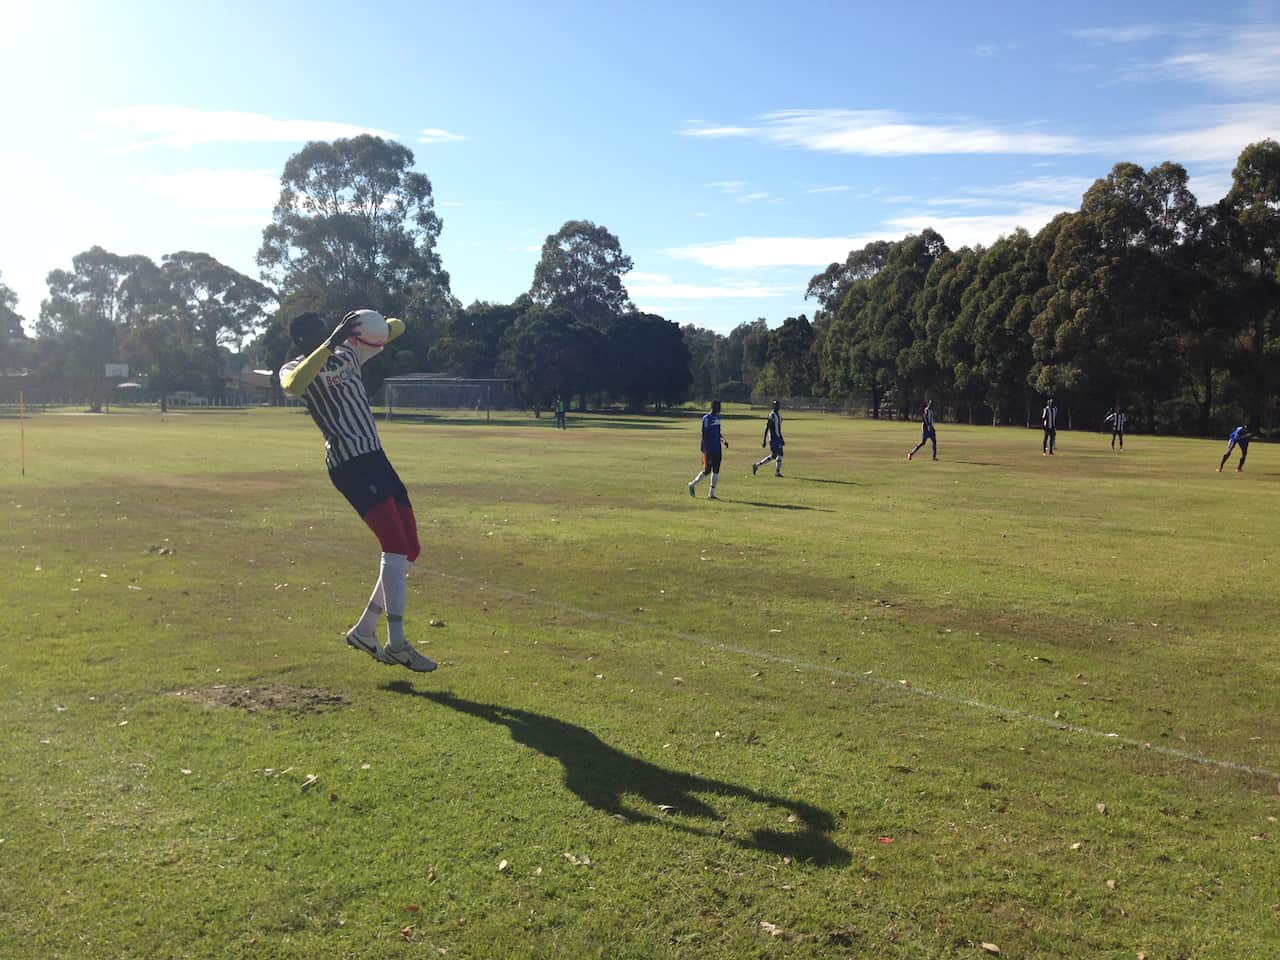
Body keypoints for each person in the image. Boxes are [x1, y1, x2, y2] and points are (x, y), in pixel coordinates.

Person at [279, 309, 437, 673]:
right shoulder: (295, 367)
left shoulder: (350, 352)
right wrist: (331, 341)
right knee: (394, 546)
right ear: (304, 339)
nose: (328, 334)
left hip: (376, 457)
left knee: (411, 548)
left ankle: (365, 630)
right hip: (349, 464)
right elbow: (293, 387)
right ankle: (397, 643)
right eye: (319, 331)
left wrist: (374, 323)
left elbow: (396, 328)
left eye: (328, 328)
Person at [688, 399, 729, 499]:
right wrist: (705, 450)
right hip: (709, 449)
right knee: (707, 470)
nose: (720, 408)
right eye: (718, 406)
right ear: (713, 407)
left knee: (716, 470)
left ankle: (711, 494)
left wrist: (723, 440)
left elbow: (718, 432)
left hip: (717, 449)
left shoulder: (718, 418)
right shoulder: (706, 418)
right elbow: (704, 434)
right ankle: (692, 484)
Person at [752, 400, 785, 477]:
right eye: (775, 405)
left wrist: (781, 438)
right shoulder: (771, 415)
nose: (776, 406)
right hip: (773, 438)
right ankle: (776, 472)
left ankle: (757, 466)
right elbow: (767, 427)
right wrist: (764, 440)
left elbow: (779, 429)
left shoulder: (779, 416)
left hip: (778, 438)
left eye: (778, 405)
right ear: (773, 406)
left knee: (777, 455)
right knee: (777, 454)